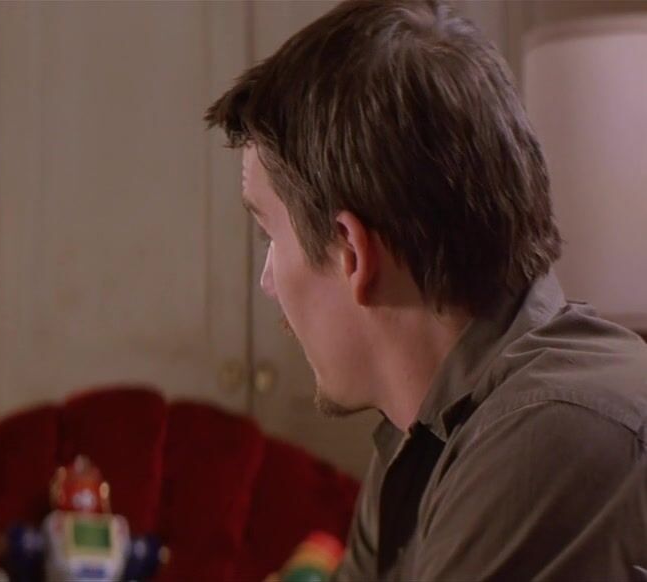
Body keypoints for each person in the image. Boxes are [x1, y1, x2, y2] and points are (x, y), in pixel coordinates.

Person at [205, 0, 647, 579]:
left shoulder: (555, 435)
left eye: (270, 236)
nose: (268, 282)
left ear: (351, 253)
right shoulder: (421, 430)